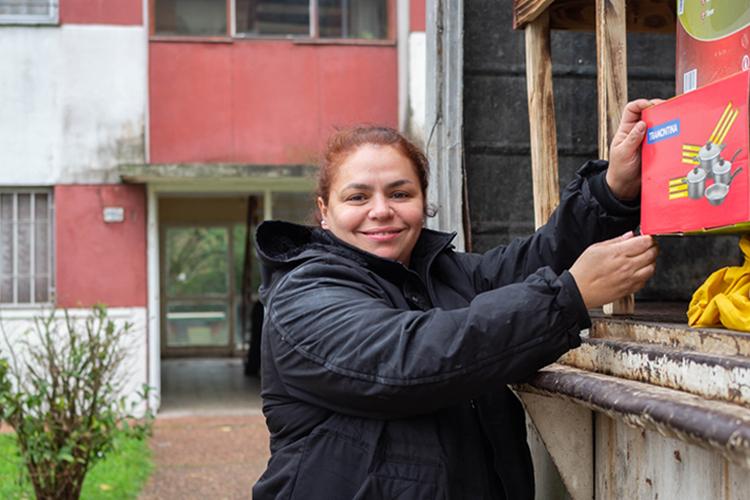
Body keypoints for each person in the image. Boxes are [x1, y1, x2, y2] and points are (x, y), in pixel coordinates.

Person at [252, 100, 659, 499]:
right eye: (357, 197)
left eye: (400, 193)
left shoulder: (446, 275)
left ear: (422, 202)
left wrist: (611, 190)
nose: (381, 211)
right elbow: (407, 358)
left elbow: (538, 259)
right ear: (325, 211)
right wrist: (567, 297)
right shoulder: (304, 293)